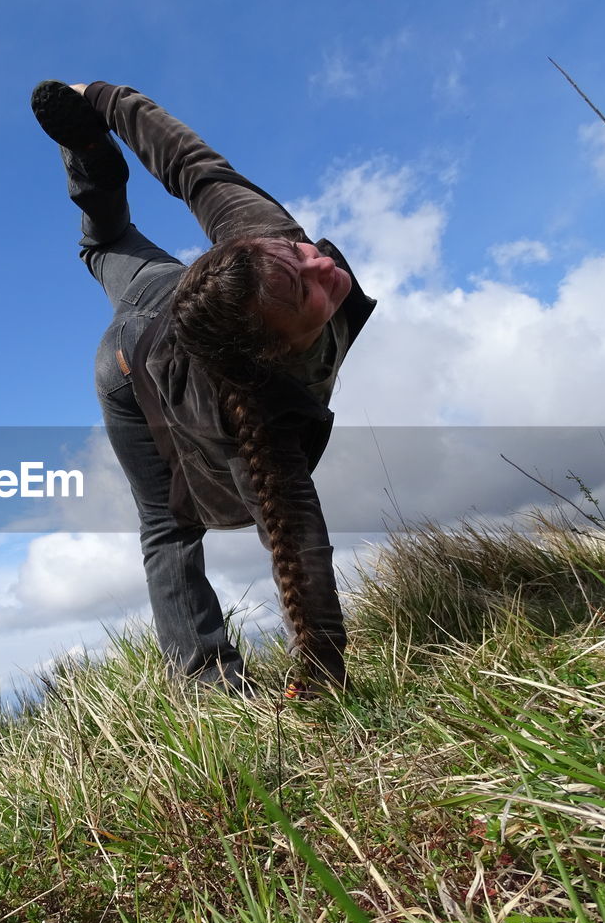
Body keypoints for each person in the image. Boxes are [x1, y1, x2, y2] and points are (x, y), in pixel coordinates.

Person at [30, 80, 376, 698]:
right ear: (270, 350)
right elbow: (298, 542)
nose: (325, 266)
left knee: (105, 244)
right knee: (168, 523)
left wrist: (104, 97)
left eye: (298, 260)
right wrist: (324, 673)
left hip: (173, 290)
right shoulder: (252, 420)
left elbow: (189, 163)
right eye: (306, 290)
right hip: (129, 365)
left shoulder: (268, 244)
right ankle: (206, 680)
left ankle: (90, 152)